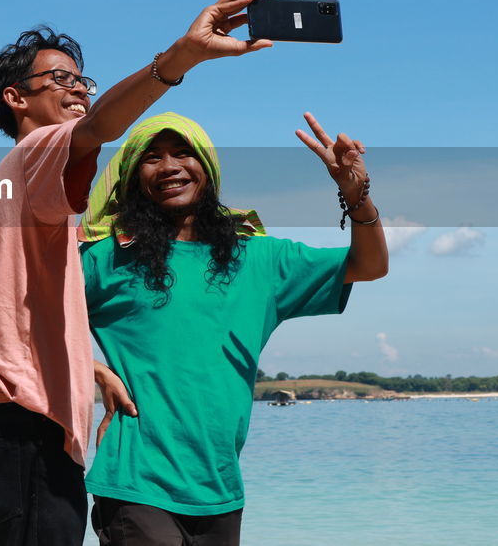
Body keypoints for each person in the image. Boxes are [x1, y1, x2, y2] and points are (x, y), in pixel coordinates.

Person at [0, 0, 275, 545]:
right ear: (16, 98)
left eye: (81, 80)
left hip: (30, 416)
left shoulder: (27, 183)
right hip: (23, 418)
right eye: (61, 79)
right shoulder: (36, 151)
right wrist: (180, 57)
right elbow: (102, 128)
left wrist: (93, 368)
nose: (79, 90)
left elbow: (28, 309)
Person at [78, 112, 389, 545]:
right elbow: (23, 325)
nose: (169, 166)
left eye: (183, 152)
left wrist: (356, 195)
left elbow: (370, 266)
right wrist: (94, 369)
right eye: (152, 157)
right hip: (135, 482)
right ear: (133, 177)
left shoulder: (259, 259)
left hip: (220, 488)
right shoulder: (108, 259)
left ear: (208, 167)